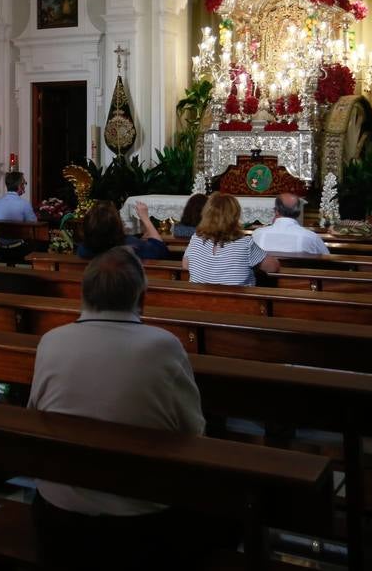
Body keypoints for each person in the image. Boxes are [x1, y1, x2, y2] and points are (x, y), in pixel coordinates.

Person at [28, 246, 224, 568]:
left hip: (58, 515)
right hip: (142, 520)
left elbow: (35, 414)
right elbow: (194, 433)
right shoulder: (163, 346)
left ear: (84, 294)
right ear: (142, 298)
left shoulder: (51, 340)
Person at [183, 193, 279, 286]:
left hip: (198, 300)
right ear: (235, 216)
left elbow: (186, 265)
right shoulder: (245, 244)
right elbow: (273, 267)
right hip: (238, 301)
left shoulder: (196, 239)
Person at [75, 201, 167, 261]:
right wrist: (145, 218)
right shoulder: (131, 245)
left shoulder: (83, 250)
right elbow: (161, 250)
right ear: (117, 225)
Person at [251, 193, 329, 255]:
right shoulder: (311, 237)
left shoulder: (257, 234)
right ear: (298, 212)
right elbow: (327, 258)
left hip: (264, 275)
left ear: (276, 211)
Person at [0, 171, 36, 263]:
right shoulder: (24, 204)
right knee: (40, 244)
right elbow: (34, 224)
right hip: (17, 250)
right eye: (24, 183)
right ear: (20, 186)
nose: (25, 186)